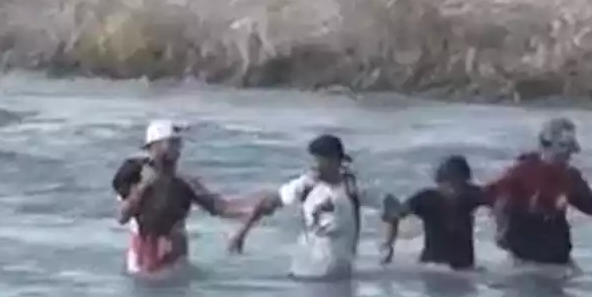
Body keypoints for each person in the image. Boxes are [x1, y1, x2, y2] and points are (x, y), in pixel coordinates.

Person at [229, 133, 388, 280]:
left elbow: (391, 206)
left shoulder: (353, 187)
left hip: (341, 275)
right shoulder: (306, 185)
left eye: (319, 160)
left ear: (334, 160)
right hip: (306, 274)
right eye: (313, 159)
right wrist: (241, 234)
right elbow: (267, 203)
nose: (314, 165)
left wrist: (388, 242)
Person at [112, 119, 246, 275]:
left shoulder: (185, 183)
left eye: (178, 143)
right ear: (154, 147)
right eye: (171, 142)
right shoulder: (135, 177)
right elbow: (122, 217)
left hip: (176, 258)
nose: (177, 148)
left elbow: (219, 208)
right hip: (144, 256)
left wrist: (251, 210)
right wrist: (143, 187)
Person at [483, 117, 592, 268]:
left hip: (557, 257)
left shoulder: (570, 176)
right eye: (563, 149)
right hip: (525, 258)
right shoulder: (520, 172)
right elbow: (493, 198)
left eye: (570, 151)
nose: (567, 156)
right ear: (545, 145)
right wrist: (501, 230)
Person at [380, 155, 489, 270]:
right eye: (450, 183)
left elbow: (499, 201)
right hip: (432, 267)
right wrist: (389, 244)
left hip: (464, 267)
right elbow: (396, 212)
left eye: (460, 183)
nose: (454, 189)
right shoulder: (427, 199)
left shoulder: (471, 196)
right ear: (440, 182)